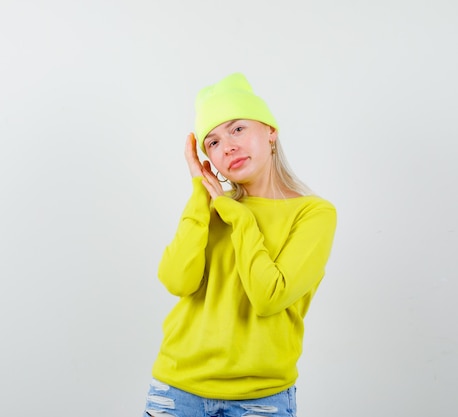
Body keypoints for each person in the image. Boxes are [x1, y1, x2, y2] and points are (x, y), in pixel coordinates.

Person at [142, 73, 337, 417]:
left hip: (260, 398)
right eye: (212, 143)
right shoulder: (209, 208)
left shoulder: (314, 213)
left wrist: (241, 218)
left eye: (237, 129)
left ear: (270, 131)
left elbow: (269, 297)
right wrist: (200, 193)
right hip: (177, 389)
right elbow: (176, 281)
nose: (227, 146)